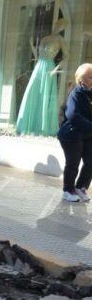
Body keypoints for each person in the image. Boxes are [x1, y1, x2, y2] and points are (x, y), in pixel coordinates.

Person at [16, 18, 67, 136]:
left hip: (49, 67)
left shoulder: (60, 40)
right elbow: (38, 55)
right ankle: (27, 125)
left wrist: (55, 70)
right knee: (32, 93)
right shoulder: (45, 38)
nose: (59, 27)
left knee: (45, 96)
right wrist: (31, 45)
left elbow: (67, 56)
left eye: (62, 26)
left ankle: (43, 128)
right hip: (39, 67)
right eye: (59, 24)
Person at [56, 63, 92, 203]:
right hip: (71, 134)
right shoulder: (76, 93)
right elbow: (72, 115)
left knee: (90, 161)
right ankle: (68, 190)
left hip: (86, 134)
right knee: (73, 163)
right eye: (91, 77)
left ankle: (80, 187)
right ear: (82, 80)